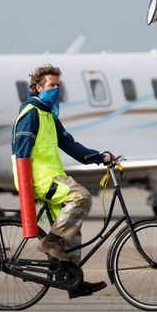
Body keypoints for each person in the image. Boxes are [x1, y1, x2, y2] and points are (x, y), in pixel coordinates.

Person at [11, 64, 112, 299]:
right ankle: (49, 242)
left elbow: (70, 145)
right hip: (38, 178)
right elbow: (22, 154)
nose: (56, 90)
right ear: (37, 88)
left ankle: (73, 282)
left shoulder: (49, 115)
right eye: (51, 85)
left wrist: (99, 157)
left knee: (73, 233)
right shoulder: (30, 115)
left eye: (58, 86)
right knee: (82, 196)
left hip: (54, 177)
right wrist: (26, 191)